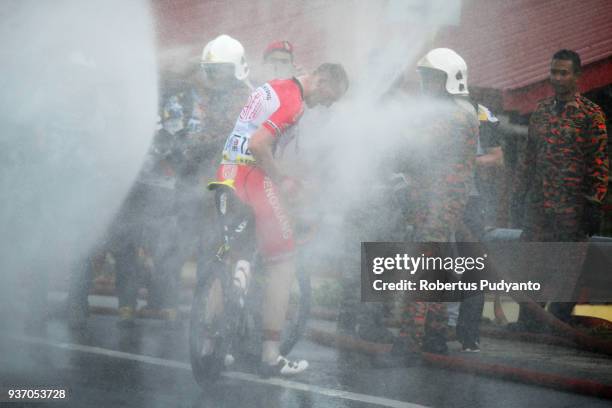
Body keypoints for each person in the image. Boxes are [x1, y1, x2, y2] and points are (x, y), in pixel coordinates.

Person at [213, 63, 349, 376]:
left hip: (226, 173)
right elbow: (259, 144)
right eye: (331, 97)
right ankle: (271, 355)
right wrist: (282, 181)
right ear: (322, 78)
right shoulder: (294, 101)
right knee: (283, 260)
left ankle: (211, 343)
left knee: (231, 257)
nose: (328, 104)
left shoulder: (273, 85)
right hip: (251, 177)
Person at [156, 34, 253, 321]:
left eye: (221, 70)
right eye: (212, 71)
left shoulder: (246, 96)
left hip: (240, 186)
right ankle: (209, 314)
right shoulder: (216, 96)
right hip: (215, 186)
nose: (215, 77)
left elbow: (224, 137)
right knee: (209, 250)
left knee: (233, 253)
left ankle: (233, 313)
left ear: (235, 68)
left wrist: (193, 148)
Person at [512, 49, 608, 329]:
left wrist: (594, 202)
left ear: (577, 76)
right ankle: (528, 322)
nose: (557, 78)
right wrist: (518, 195)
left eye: (563, 72)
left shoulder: (591, 115)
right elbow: (528, 159)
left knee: (567, 268)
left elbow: (599, 162)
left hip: (572, 210)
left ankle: (559, 326)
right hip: (539, 208)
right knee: (531, 264)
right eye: (553, 71)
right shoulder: (540, 111)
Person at [392, 48, 478, 361]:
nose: (426, 84)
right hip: (431, 198)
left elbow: (416, 146)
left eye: (432, 78)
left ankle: (408, 341)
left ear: (450, 80)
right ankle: (436, 335)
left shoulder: (456, 114)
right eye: (424, 78)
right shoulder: (445, 111)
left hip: (441, 202)